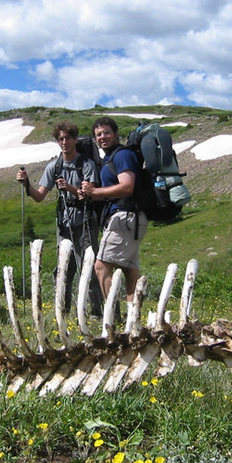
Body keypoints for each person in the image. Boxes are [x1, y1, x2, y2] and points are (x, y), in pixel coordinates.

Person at [16, 121, 104, 316]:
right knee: (63, 271)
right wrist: (26, 183)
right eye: (60, 139)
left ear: (74, 139)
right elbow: (39, 196)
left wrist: (70, 188)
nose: (64, 142)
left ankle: (96, 313)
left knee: (88, 269)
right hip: (63, 225)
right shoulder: (54, 166)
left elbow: (88, 194)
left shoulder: (86, 164)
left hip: (86, 222)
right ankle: (62, 313)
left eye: (67, 138)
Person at [81, 117, 148, 307]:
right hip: (131, 218)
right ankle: (133, 321)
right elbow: (111, 192)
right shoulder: (111, 157)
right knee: (130, 270)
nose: (103, 137)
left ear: (116, 133)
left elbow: (127, 187)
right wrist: (89, 193)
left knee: (101, 266)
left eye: (107, 132)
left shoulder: (122, 156)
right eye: (98, 135)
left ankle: (113, 317)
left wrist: (95, 191)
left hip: (125, 217)